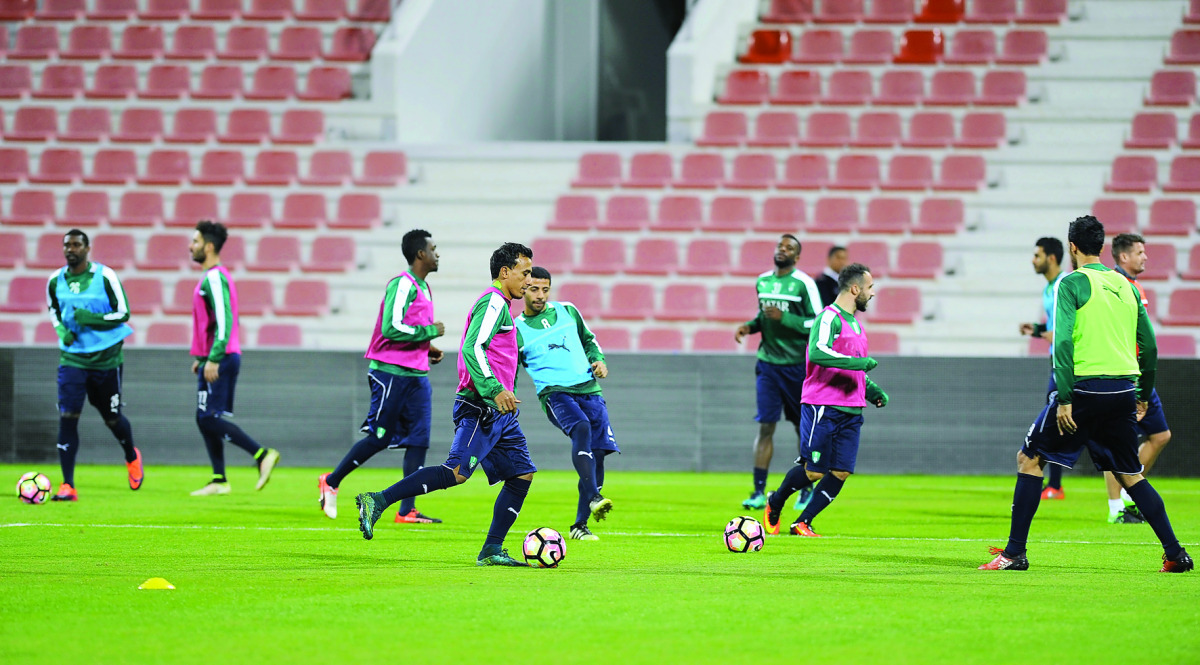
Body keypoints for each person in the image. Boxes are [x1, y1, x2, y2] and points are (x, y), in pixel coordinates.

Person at [980, 216, 1192, 573]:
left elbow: (1063, 343)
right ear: (1103, 246)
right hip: (1123, 391)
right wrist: (1143, 394)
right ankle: (1175, 554)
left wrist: (1064, 398)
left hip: (1084, 390)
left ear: (1072, 247)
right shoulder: (1126, 285)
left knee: (1029, 459)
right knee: (1131, 474)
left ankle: (1014, 553)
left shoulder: (1072, 282)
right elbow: (1150, 346)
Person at [355, 243, 543, 567]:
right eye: (525, 273)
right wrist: (495, 389)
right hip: (481, 407)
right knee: (455, 472)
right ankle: (378, 500)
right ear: (505, 272)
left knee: (521, 474)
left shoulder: (503, 308)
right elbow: (473, 348)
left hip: (501, 413)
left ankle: (492, 550)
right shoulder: (493, 302)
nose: (529, 280)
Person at [318, 229, 446, 522]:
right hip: (390, 373)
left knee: (419, 440)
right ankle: (331, 481)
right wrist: (429, 332)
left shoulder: (424, 288)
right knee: (380, 437)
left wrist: (427, 347)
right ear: (420, 254)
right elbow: (391, 327)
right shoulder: (402, 284)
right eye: (433, 248)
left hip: (417, 374)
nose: (437, 254)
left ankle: (406, 510)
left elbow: (408, 327)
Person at [762, 263, 889, 537]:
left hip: (852, 410)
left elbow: (853, 369)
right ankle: (776, 500)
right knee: (814, 471)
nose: (872, 293)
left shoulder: (856, 325)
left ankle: (802, 522)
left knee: (841, 471)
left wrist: (871, 390)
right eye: (869, 287)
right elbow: (819, 352)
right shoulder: (828, 318)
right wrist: (859, 363)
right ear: (854, 289)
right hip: (823, 405)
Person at [515, 266, 616, 541]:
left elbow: (589, 341)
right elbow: (510, 366)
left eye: (545, 289)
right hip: (555, 393)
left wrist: (599, 361)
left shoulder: (568, 310)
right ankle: (594, 496)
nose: (540, 295)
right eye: (534, 289)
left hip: (589, 389)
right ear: (524, 289)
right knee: (581, 428)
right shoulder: (516, 330)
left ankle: (579, 526)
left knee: (599, 452)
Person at [44, 229, 142, 501]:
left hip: (106, 358)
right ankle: (68, 485)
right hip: (73, 358)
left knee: (112, 418)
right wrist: (61, 330)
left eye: (77, 245)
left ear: (87, 249)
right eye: (67, 245)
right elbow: (53, 310)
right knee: (68, 416)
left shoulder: (105, 276)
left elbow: (123, 312)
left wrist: (92, 319)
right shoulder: (55, 280)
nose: (71, 249)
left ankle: (131, 455)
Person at [188, 221, 280, 496]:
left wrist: (214, 357)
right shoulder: (212, 277)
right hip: (214, 355)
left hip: (222, 356)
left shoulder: (215, 278)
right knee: (205, 417)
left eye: (195, 241)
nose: (191, 246)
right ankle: (219, 479)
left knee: (208, 418)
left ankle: (261, 454)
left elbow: (225, 319)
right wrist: (202, 356)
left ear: (209, 246)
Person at [734, 234, 822, 510]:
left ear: (797, 256)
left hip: (797, 366)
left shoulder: (804, 283)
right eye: (780, 246)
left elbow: (818, 323)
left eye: (789, 248)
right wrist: (750, 327)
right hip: (768, 365)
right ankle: (759, 492)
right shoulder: (763, 281)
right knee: (766, 426)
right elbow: (764, 317)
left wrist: (786, 318)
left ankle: (805, 489)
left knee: (801, 427)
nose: (782, 250)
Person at [1101, 233, 1172, 524]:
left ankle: (1130, 494)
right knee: (1117, 443)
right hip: (1124, 375)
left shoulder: (1135, 286)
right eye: (1140, 252)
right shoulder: (1115, 286)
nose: (1145, 257)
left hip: (1140, 374)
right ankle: (1116, 507)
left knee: (1160, 435)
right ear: (1124, 256)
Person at [1017, 237, 1068, 501]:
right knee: (1056, 422)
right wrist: (1036, 330)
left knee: (1057, 422)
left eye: (1037, 255)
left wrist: (1053, 335)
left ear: (1051, 257)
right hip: (1055, 361)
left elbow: (1067, 328)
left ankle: (1054, 485)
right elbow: (1053, 329)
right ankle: (1054, 484)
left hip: (1066, 364)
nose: (1033, 260)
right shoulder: (1049, 288)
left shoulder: (1063, 285)